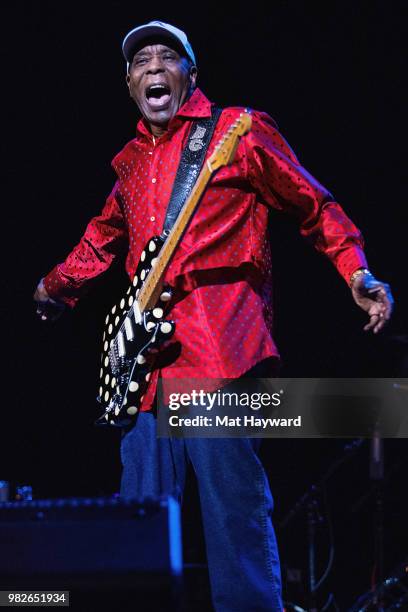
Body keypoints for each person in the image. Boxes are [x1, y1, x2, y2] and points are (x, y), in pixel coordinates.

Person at [33, 20, 393, 612]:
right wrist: (52, 288)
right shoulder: (128, 162)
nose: (153, 67)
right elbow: (102, 238)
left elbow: (314, 203)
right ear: (128, 83)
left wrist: (355, 269)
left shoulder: (238, 132)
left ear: (189, 76)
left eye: (166, 57)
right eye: (141, 61)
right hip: (144, 374)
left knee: (233, 515)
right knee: (138, 522)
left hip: (219, 348)